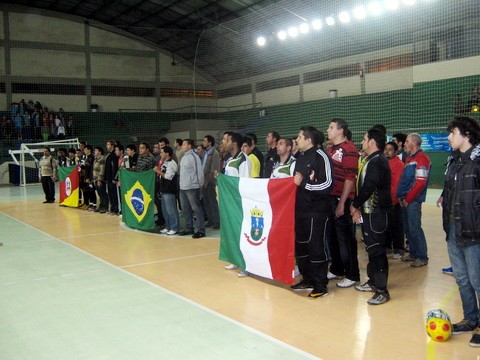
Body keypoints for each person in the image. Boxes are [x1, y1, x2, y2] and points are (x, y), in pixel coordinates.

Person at [438, 115, 480, 347]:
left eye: (452, 132)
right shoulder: (453, 161)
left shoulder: (479, 161)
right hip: (453, 229)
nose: (448, 137)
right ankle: (470, 319)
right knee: (462, 279)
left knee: (477, 280)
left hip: (474, 231)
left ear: (466, 135)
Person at [290, 126, 333, 298]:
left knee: (315, 246)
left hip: (316, 210)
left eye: (300, 137)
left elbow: (327, 184)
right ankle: (307, 279)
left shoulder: (321, 156)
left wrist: (304, 184)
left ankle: (320, 284)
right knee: (301, 246)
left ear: (309, 140)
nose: (297, 140)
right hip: (300, 210)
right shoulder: (299, 157)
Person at [350, 128, 392, 305]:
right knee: (371, 249)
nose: (362, 142)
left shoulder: (378, 161)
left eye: (364, 139)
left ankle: (382, 290)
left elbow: (369, 186)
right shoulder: (371, 159)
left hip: (377, 213)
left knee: (377, 250)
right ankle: (373, 282)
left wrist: (355, 204)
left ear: (372, 142)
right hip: (369, 213)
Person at [326, 118, 360, 288]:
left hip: (343, 199)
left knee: (345, 238)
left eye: (331, 127)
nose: (328, 130)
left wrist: (342, 203)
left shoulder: (350, 149)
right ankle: (337, 269)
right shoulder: (331, 148)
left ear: (340, 131)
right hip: (331, 198)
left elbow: (350, 178)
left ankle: (352, 274)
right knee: (332, 236)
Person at [397, 133, 431, 267]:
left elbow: (420, 183)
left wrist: (408, 198)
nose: (404, 144)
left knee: (415, 228)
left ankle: (422, 257)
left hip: (413, 201)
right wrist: (401, 197)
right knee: (408, 228)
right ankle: (413, 253)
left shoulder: (422, 159)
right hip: (405, 200)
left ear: (414, 143)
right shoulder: (410, 159)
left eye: (407, 141)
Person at [223, 132, 252, 276]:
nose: (224, 142)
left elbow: (245, 183)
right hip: (230, 203)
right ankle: (236, 259)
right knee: (233, 233)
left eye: (226, 140)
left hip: (239, 203)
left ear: (234, 144)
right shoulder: (229, 160)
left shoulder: (243, 160)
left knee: (242, 233)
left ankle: (246, 266)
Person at [178, 139, 206, 239]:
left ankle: (200, 229)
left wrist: (200, 185)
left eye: (184, 144)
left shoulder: (194, 157)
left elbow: (199, 172)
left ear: (190, 146)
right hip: (183, 187)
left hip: (193, 187)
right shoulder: (184, 157)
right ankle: (189, 227)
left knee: (196, 209)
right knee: (185, 209)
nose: (182, 146)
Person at [384, 141, 405, 258]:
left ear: (396, 152)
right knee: (386, 224)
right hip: (384, 200)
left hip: (394, 201)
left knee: (396, 225)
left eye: (390, 149)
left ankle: (398, 248)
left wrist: (394, 199)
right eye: (385, 149)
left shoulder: (399, 164)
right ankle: (387, 246)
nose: (387, 152)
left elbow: (397, 184)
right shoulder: (383, 163)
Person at [155, 146, 180, 235]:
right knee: (165, 209)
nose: (160, 154)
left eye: (162, 152)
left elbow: (168, 176)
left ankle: (174, 227)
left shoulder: (172, 163)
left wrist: (158, 171)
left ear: (167, 153)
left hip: (169, 189)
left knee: (171, 209)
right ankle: (168, 226)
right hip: (163, 189)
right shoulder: (165, 163)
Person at [202, 135, 220, 229]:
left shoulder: (215, 153)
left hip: (209, 181)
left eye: (205, 141)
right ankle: (210, 220)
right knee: (206, 202)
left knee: (212, 202)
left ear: (210, 142)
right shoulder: (205, 152)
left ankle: (217, 221)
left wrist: (208, 181)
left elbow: (213, 169)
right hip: (203, 180)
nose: (203, 142)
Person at [104, 140, 119, 214]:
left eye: (108, 144)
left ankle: (116, 209)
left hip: (112, 179)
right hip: (108, 178)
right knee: (110, 193)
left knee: (114, 194)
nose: (107, 146)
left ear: (112, 146)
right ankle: (112, 208)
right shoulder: (109, 155)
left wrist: (114, 178)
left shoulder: (114, 155)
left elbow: (115, 167)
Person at [92, 146, 107, 213]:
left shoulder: (102, 158)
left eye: (96, 150)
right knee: (99, 194)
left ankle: (105, 207)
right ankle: (101, 206)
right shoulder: (96, 159)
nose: (94, 152)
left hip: (100, 180)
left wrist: (99, 179)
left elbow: (102, 170)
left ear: (100, 152)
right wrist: (94, 179)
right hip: (95, 179)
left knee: (102, 193)